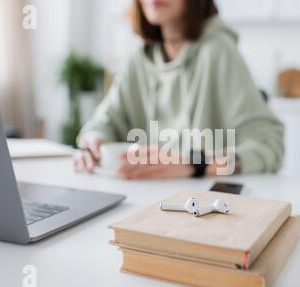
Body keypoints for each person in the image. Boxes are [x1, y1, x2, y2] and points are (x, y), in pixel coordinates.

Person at [75, 0, 284, 180]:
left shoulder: (219, 52)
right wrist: (93, 143)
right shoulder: (137, 59)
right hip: (144, 201)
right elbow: (104, 123)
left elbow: (269, 146)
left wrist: (196, 164)